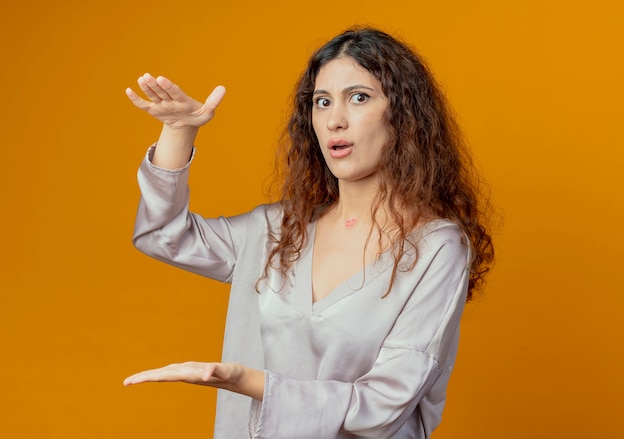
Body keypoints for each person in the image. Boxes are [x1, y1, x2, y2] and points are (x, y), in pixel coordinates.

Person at [123, 27, 494, 439]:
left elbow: (385, 406)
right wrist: (179, 129)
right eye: (322, 102)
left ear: (404, 116)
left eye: (359, 97)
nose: (335, 120)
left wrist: (245, 381)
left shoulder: (436, 248)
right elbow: (163, 234)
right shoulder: (277, 231)